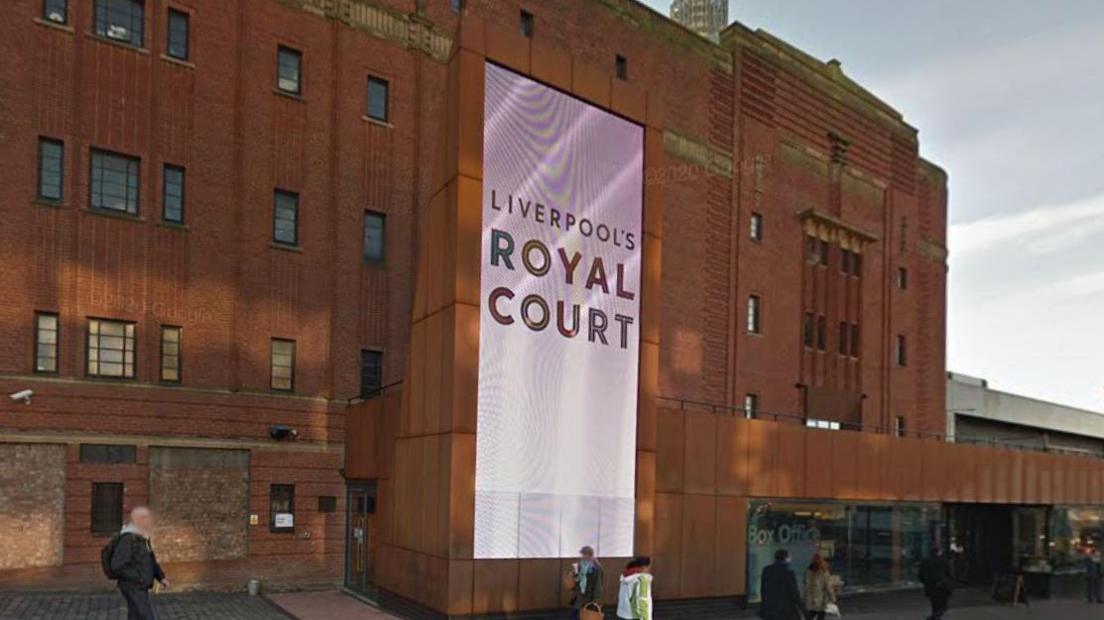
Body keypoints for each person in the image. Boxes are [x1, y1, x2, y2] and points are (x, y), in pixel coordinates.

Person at [110, 507, 170, 620]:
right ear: (137, 520)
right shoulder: (128, 539)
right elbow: (117, 565)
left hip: (140, 586)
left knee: (135, 616)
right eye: (145, 518)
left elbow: (150, 559)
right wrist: (139, 577)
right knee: (146, 616)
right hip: (132, 586)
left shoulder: (143, 537)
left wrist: (161, 577)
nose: (149, 521)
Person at [759, 549, 804, 620]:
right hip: (785, 612)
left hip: (769, 610)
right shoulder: (789, 573)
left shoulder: (766, 570)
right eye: (790, 557)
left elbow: (763, 590)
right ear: (786, 558)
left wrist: (764, 605)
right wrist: (804, 610)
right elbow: (795, 594)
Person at [918, 547, 954, 620]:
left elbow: (920, 575)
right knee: (943, 606)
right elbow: (950, 574)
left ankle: (935, 617)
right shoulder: (944, 561)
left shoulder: (925, 562)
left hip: (930, 587)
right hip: (942, 587)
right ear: (938, 552)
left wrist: (926, 583)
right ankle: (934, 617)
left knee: (935, 605)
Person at [570, 545, 604, 618]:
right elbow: (577, 581)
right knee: (576, 614)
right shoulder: (580, 565)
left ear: (588, 555)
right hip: (579, 597)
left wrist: (596, 600)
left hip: (589, 598)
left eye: (583, 554)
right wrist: (573, 575)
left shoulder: (595, 568)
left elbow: (598, 585)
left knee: (585, 616)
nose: (581, 557)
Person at [803, 554, 836, 620]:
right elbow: (828, 586)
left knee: (810, 616)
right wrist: (833, 598)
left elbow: (805, 583)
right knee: (820, 616)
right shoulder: (824, 571)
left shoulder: (807, 571)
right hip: (821, 599)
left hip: (810, 599)